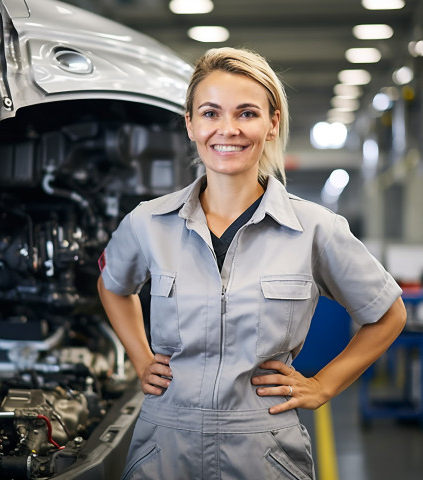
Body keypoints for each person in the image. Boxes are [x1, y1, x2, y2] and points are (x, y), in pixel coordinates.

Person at [97, 47, 406, 480]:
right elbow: (113, 285)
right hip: (163, 446)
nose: (228, 130)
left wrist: (323, 385)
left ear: (272, 122)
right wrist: (140, 356)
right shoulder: (148, 222)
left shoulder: (315, 227)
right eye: (210, 113)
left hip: (264, 451)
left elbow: (388, 313)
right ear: (190, 123)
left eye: (246, 113)